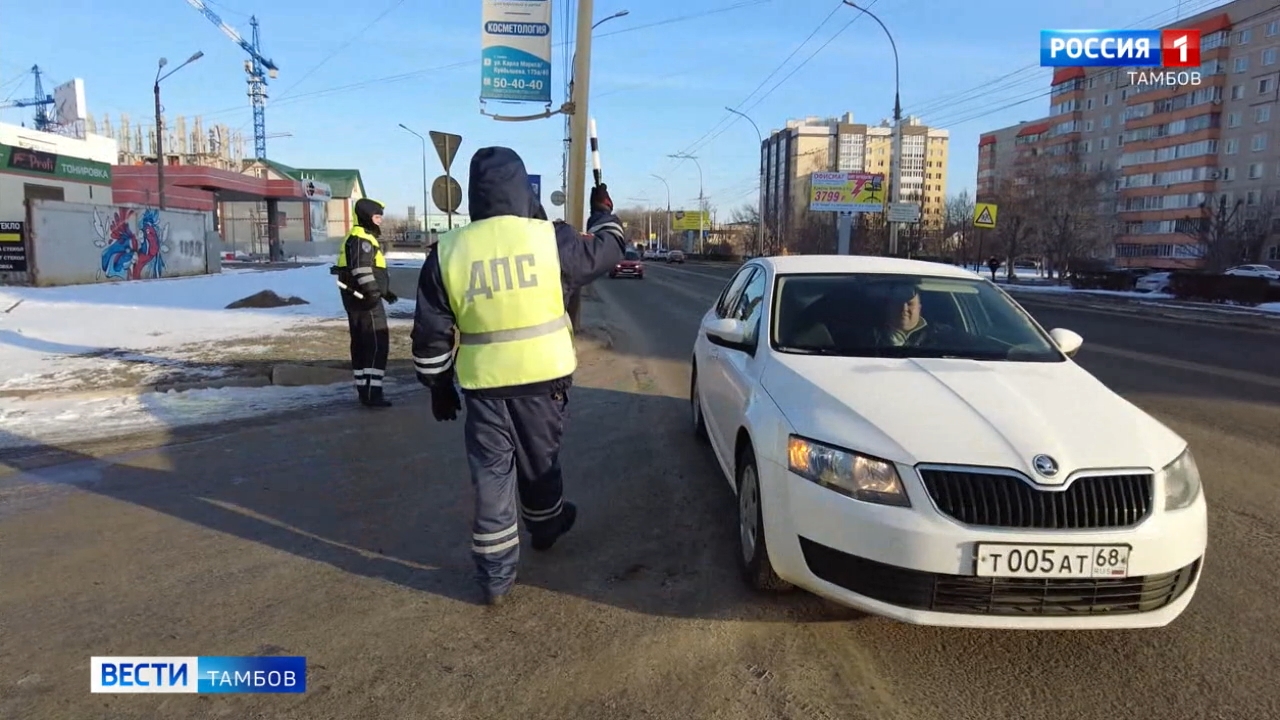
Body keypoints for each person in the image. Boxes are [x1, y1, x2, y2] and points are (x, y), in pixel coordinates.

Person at [410, 146, 625, 606]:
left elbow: (431, 332)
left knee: (492, 478)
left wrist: (438, 385)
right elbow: (607, 253)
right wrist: (604, 214)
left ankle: (495, 579)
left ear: (474, 194)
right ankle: (546, 528)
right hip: (542, 385)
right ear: (522, 187)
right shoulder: (548, 238)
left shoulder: (449, 250)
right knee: (539, 463)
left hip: (484, 389)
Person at [331, 198, 399, 408]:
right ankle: (373, 393)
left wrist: (384, 292)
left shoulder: (355, 237)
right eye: (376, 217)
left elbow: (359, 270)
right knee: (376, 344)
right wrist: (372, 293)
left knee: (361, 345)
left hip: (358, 299)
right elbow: (361, 269)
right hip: (365, 302)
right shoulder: (363, 239)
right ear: (366, 216)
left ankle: (365, 390)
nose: (379, 221)